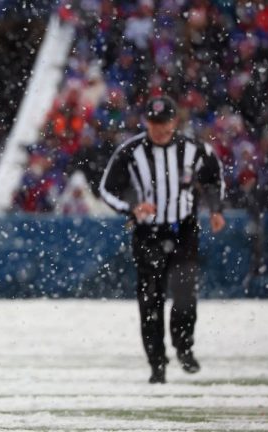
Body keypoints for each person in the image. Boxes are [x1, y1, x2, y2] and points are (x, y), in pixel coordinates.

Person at [99, 95, 226, 384]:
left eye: (164, 122)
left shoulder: (193, 149)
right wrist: (130, 208)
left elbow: (213, 177)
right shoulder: (131, 151)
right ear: (147, 122)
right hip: (148, 233)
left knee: (184, 294)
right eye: (153, 122)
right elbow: (106, 189)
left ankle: (184, 347)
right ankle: (157, 363)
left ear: (174, 121)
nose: (158, 128)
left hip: (183, 229)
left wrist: (215, 208)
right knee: (150, 300)